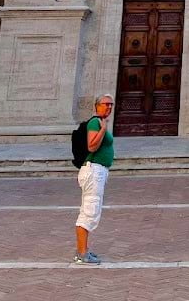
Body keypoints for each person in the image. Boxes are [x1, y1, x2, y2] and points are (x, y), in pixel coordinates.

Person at [74, 94, 115, 265]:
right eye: (106, 104)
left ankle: (82, 251)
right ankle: (82, 253)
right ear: (97, 105)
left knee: (91, 210)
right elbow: (91, 145)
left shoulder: (100, 122)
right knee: (89, 211)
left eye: (111, 105)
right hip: (93, 170)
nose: (109, 107)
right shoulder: (95, 122)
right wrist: (103, 130)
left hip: (98, 171)